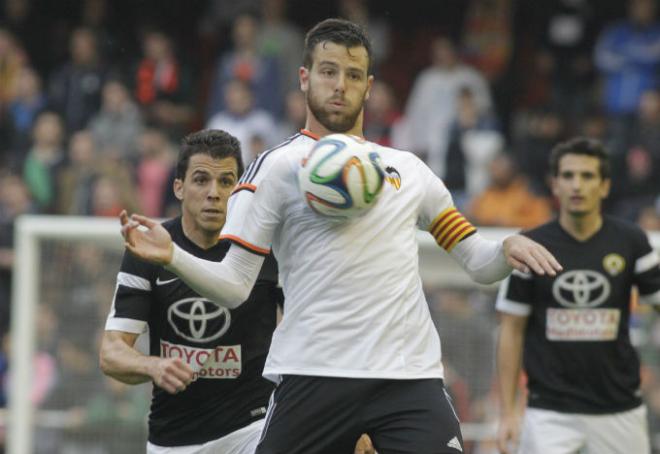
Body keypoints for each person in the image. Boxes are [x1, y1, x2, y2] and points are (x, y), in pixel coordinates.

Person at [120, 19, 561, 454]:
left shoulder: (408, 170)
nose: (340, 85)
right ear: (304, 78)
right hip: (312, 375)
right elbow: (235, 286)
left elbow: (478, 262)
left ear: (368, 86)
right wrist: (172, 256)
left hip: (406, 379)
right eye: (329, 72)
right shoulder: (277, 167)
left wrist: (506, 249)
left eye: (353, 75)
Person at [100, 129, 282, 453]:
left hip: (252, 430)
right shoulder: (148, 249)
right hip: (173, 439)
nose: (214, 192)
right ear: (179, 188)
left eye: (226, 181)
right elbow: (112, 353)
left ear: (240, 189)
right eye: (201, 180)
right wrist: (153, 366)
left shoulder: (266, 249)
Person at [496, 137, 660, 454]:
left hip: (620, 409)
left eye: (587, 176)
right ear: (554, 184)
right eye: (568, 176)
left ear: (605, 186)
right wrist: (508, 413)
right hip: (549, 414)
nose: (577, 185)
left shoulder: (632, 241)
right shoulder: (530, 246)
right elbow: (511, 330)